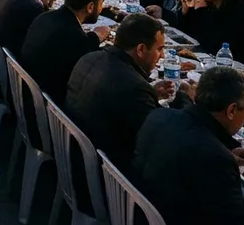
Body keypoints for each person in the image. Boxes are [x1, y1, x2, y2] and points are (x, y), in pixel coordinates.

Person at [133, 66, 244, 225]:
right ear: (232, 110)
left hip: (137, 216)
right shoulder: (215, 157)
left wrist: (223, 148)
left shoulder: (158, 115)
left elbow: (190, 144)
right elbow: (243, 224)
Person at [66, 13, 190, 170]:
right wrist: (184, 99)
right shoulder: (134, 88)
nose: (162, 55)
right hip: (106, 171)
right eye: (159, 49)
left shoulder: (89, 58)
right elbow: (163, 137)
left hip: (72, 153)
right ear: (141, 49)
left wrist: (151, 94)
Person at [21, 0, 110, 103]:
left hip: (26, 92)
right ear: (90, 7)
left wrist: (94, 37)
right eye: (101, 3)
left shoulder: (44, 17)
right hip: (46, 105)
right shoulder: (75, 38)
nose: (101, 8)